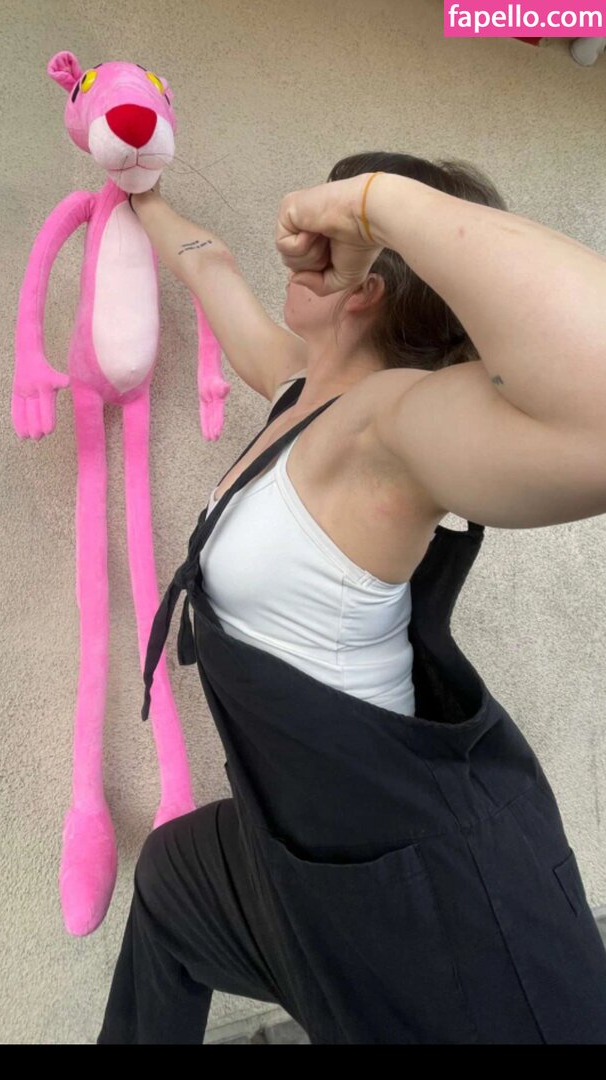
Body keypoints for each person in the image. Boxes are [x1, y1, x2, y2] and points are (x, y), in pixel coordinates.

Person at [97, 153, 606, 1045]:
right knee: (175, 877)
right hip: (298, 847)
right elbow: (210, 266)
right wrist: (139, 188)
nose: (305, 245)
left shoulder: (388, 424)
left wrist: (380, 201)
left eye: (339, 237)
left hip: (422, 889)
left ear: (366, 282)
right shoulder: (300, 387)